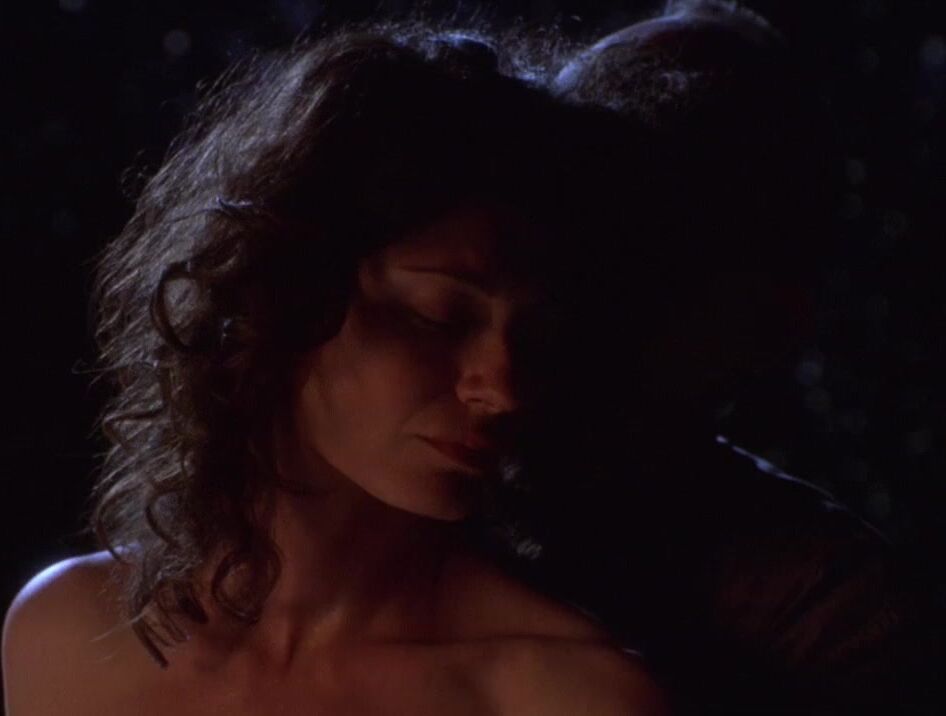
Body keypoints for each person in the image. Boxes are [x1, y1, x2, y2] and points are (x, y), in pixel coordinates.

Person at [0, 24, 670, 715]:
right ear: (279, 293)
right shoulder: (71, 635)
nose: (501, 389)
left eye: (537, 338)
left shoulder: (559, 694)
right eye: (440, 317)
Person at [529, 2, 946, 713]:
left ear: (773, 318)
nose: (585, 291)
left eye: (664, 252)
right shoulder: (413, 492)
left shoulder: (828, 607)